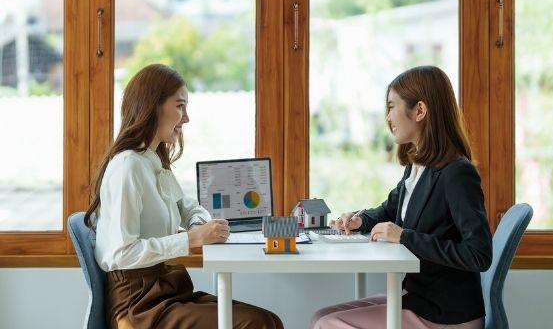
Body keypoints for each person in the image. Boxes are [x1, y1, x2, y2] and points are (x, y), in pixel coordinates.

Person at [84, 64, 283, 329]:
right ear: (153, 106)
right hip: (137, 306)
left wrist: (198, 225)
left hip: (163, 290)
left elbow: (188, 207)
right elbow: (121, 254)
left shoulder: (152, 161)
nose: (186, 118)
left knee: (269, 320)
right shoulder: (128, 166)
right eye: (180, 106)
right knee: (257, 324)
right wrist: (191, 239)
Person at [310, 65, 493, 329]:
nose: (387, 117)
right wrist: (359, 220)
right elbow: (389, 211)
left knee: (328, 324)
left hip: (446, 314)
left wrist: (404, 236)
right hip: (417, 298)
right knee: (320, 317)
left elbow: (478, 254)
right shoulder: (418, 167)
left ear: (419, 110)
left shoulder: (456, 173)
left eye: (391, 106)